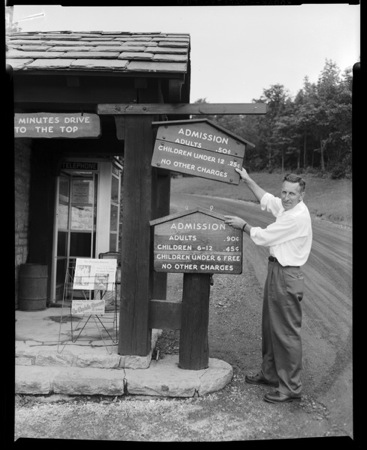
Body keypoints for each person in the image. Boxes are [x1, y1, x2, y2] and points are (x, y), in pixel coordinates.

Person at [224, 168, 313, 403]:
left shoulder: (296, 217)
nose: (285, 197)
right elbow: (267, 200)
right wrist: (248, 180)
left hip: (287, 275)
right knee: (270, 327)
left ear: (301, 196)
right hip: (276, 271)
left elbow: (263, 237)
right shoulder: (286, 208)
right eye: (284, 192)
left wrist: (243, 225)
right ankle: (271, 374)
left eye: (291, 194)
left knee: (286, 332)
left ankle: (291, 388)